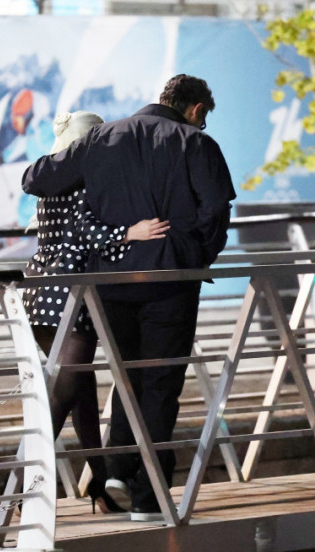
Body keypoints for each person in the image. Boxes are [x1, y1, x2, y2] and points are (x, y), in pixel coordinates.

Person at [22, 74, 236, 521]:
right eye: (203, 118)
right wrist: (193, 254)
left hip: (111, 286)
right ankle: (149, 495)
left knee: (128, 378)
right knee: (160, 384)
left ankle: (119, 470)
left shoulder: (102, 138)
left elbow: (36, 179)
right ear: (196, 110)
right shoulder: (197, 145)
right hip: (171, 281)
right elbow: (216, 212)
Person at [23, 110, 170, 515]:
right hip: (73, 295)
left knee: (80, 396)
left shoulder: (50, 180)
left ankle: (100, 485)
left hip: (41, 292)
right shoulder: (84, 182)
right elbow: (90, 232)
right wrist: (131, 233)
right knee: (66, 392)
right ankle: (25, 488)